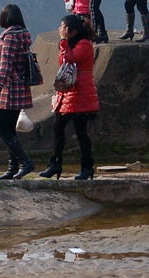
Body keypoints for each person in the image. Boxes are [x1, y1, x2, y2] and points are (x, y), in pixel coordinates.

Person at [40, 14, 99, 180]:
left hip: (81, 91)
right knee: (58, 127)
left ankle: (86, 167)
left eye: (63, 27)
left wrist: (63, 41)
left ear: (72, 31)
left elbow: (69, 59)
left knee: (80, 131)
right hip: (70, 91)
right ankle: (55, 164)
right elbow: (63, 60)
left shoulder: (85, 44)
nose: (60, 29)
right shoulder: (72, 44)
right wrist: (64, 43)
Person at [0, 4, 35, 179]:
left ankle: (25, 162)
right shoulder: (23, 35)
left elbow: (5, 66)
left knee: (1, 129)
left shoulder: (10, 37)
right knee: (9, 130)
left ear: (5, 18)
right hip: (20, 87)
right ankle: (12, 168)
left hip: (9, 89)